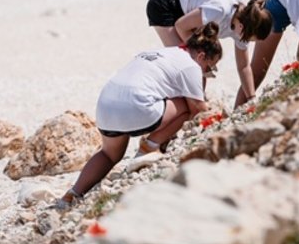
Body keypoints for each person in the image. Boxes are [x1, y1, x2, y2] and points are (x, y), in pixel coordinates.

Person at [51, 23, 223, 210]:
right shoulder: (190, 66)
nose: (206, 73)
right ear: (201, 56)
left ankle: (72, 194)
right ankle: (149, 146)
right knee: (187, 104)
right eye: (209, 68)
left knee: (109, 154)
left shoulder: (162, 52)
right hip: (136, 108)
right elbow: (199, 109)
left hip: (105, 106)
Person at [146, 0, 273, 107]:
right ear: (242, 27)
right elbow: (180, 26)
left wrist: (251, 99)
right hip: (166, 4)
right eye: (249, 39)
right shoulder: (220, 10)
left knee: (202, 63)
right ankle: (187, 109)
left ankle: (197, 106)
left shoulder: (244, 22)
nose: (246, 42)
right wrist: (199, 54)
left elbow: (244, 67)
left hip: (189, 12)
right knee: (189, 64)